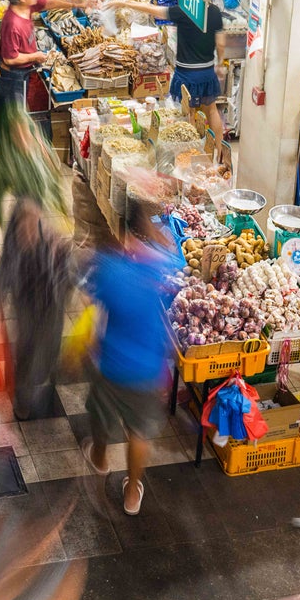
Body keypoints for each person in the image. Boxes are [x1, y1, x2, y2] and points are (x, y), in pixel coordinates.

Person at [80, 202, 181, 516]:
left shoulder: (111, 271)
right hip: (148, 368)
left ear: (124, 233)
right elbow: (172, 256)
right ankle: (133, 492)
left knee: (101, 416)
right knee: (138, 432)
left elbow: (90, 298)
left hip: (111, 364)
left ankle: (99, 459)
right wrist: (154, 232)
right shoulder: (157, 268)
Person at [103, 0, 226, 146]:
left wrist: (124, 2)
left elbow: (152, 10)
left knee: (188, 114)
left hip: (186, 74)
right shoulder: (214, 11)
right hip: (206, 73)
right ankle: (220, 152)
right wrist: (220, 63)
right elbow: (221, 43)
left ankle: (190, 150)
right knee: (212, 111)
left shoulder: (184, 11)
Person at [0, 199, 74, 420]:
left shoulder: (50, 240)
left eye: (35, 221)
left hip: (51, 308)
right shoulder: (14, 245)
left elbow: (67, 276)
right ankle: (23, 401)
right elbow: (4, 272)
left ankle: (47, 380)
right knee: (27, 352)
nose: (31, 226)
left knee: (50, 348)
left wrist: (62, 255)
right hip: (26, 308)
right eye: (26, 221)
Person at [0, 0, 85, 155]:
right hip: (12, 73)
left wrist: (81, 2)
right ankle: (21, 157)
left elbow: (52, 2)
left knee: (1, 103)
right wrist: (36, 56)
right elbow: (10, 59)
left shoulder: (26, 5)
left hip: (11, 68)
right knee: (18, 116)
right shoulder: (12, 23)